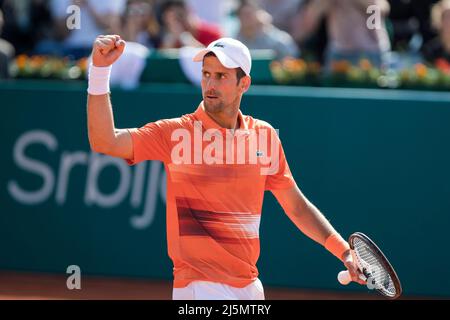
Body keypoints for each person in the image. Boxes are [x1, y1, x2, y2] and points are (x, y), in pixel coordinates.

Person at [86, 35, 366, 300]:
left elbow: (297, 206)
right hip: (198, 286)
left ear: (244, 84)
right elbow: (105, 141)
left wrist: (344, 252)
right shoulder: (176, 133)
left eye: (221, 76)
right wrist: (99, 71)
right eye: (206, 74)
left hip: (249, 287)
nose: (210, 84)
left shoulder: (264, 137)